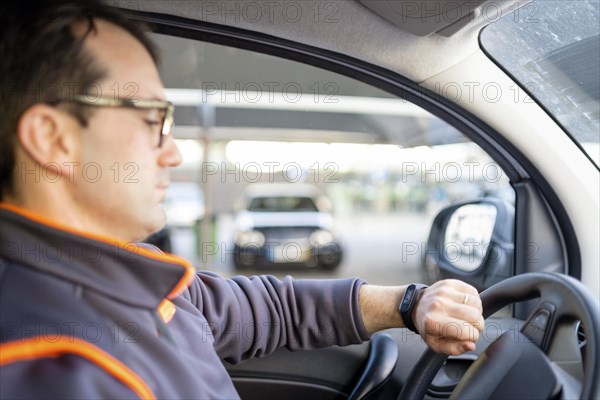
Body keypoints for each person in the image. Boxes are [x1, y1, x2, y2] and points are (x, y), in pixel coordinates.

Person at [0, 1, 484, 398]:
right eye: (153, 119)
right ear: (53, 139)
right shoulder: (54, 367)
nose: (171, 152)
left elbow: (266, 309)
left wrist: (410, 303)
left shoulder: (124, 271)